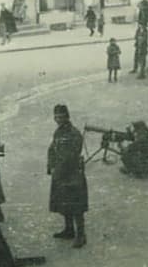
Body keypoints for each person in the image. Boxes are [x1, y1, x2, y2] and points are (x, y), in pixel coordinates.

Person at [47, 104, 88, 248]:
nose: (58, 119)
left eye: (61, 116)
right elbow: (52, 149)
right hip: (60, 173)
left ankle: (81, 235)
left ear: (67, 116)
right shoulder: (58, 132)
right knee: (64, 203)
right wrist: (51, 166)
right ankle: (69, 229)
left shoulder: (74, 133)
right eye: (56, 117)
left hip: (72, 175)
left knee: (76, 206)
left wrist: (58, 169)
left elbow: (71, 156)